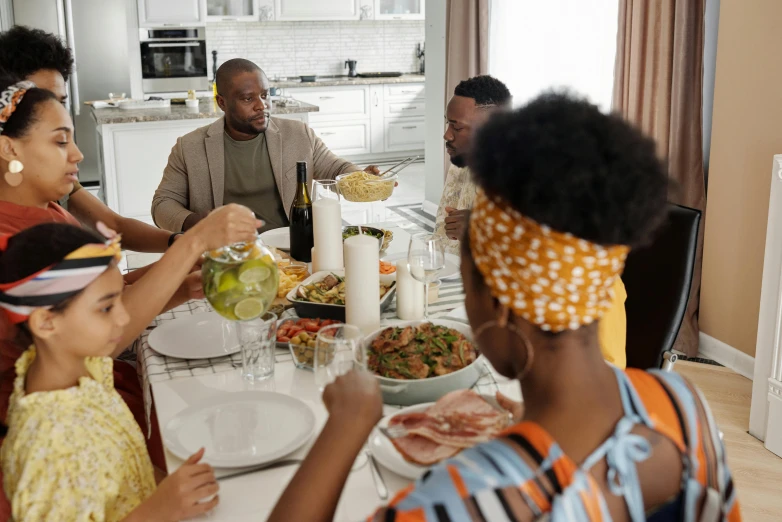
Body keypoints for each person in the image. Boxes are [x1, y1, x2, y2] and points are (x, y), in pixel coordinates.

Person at [266, 93, 741, 522]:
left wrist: (345, 428)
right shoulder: (685, 406)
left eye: (469, 287)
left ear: (501, 309)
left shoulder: (457, 501)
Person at [0, 76, 259, 519]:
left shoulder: (50, 206)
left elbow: (102, 292)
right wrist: (190, 244)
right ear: (10, 150)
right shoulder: (50, 439)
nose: (78, 155)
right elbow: (106, 330)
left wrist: (181, 284)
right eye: (61, 141)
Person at [0, 223, 220, 522]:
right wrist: (158, 510)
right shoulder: (48, 443)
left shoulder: (83, 367)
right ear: (46, 323)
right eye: (105, 308)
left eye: (120, 297)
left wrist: (164, 485)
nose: (123, 316)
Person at [0, 25, 186, 253]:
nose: (56, 112)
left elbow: (114, 226)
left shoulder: (50, 183)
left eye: (60, 101)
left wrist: (180, 243)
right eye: (42, 101)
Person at [152, 58, 380, 233]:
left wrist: (362, 177)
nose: (262, 106)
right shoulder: (189, 147)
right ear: (222, 102)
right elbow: (162, 204)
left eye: (264, 94)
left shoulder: (298, 134)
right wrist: (198, 223)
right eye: (248, 99)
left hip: (293, 247)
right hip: (228, 255)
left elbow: (336, 169)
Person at [433, 75, 512, 254]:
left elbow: (545, 250)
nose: (447, 135)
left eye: (457, 127)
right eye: (448, 123)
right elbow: (444, 236)